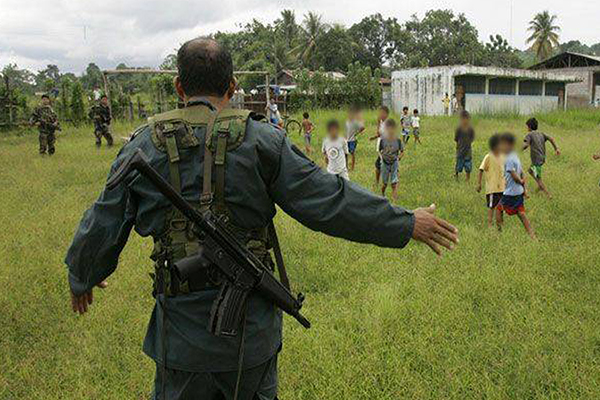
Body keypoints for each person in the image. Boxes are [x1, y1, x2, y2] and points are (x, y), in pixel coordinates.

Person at [64, 38, 460, 400]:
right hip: (249, 338)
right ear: (233, 86)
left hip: (180, 340)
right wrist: (405, 222)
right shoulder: (261, 140)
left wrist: (83, 274)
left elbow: (104, 217)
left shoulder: (144, 145)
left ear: (179, 87)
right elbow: (328, 200)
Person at [497, 133, 536, 239]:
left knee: (499, 209)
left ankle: (500, 233)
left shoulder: (509, 158)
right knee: (521, 214)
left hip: (510, 192)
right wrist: (524, 187)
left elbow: (514, 175)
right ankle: (532, 235)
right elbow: (522, 172)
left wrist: (521, 181)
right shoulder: (515, 156)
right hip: (518, 191)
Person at [522, 117, 560, 199]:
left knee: (538, 178)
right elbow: (551, 139)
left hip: (536, 160)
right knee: (530, 171)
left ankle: (548, 194)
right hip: (542, 158)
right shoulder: (541, 133)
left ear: (529, 127)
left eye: (527, 126)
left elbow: (526, 145)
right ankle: (538, 188)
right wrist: (556, 148)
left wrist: (518, 149)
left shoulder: (529, 135)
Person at [476, 134, 505, 228]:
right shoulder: (488, 157)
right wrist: (479, 183)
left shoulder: (503, 156)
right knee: (491, 206)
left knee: (501, 207)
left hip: (502, 187)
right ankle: (489, 224)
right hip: (492, 188)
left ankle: (500, 224)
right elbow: (481, 170)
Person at [379, 119, 404, 201]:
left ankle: (394, 198)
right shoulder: (383, 140)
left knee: (394, 182)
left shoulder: (398, 140)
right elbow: (380, 150)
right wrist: (381, 158)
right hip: (385, 162)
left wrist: (399, 157)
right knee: (385, 183)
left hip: (394, 162)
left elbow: (402, 151)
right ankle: (382, 194)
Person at [370, 105, 390, 186]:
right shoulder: (381, 122)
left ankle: (385, 181)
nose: (380, 115)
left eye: (382, 113)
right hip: (380, 147)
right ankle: (378, 182)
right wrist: (374, 137)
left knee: (381, 165)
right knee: (378, 165)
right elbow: (379, 134)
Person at [454, 111, 475, 182]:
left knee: (468, 165)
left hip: (468, 150)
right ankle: (456, 175)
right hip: (460, 150)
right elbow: (456, 138)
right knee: (459, 164)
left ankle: (467, 178)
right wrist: (458, 145)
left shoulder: (470, 129)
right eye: (463, 119)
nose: (465, 121)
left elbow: (472, 138)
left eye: (467, 119)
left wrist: (468, 143)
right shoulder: (458, 129)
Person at [345, 106, 365, 171]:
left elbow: (362, 127)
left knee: (352, 153)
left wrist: (357, 133)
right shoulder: (346, 122)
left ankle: (352, 167)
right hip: (346, 140)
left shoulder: (355, 122)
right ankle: (346, 167)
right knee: (346, 154)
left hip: (352, 140)